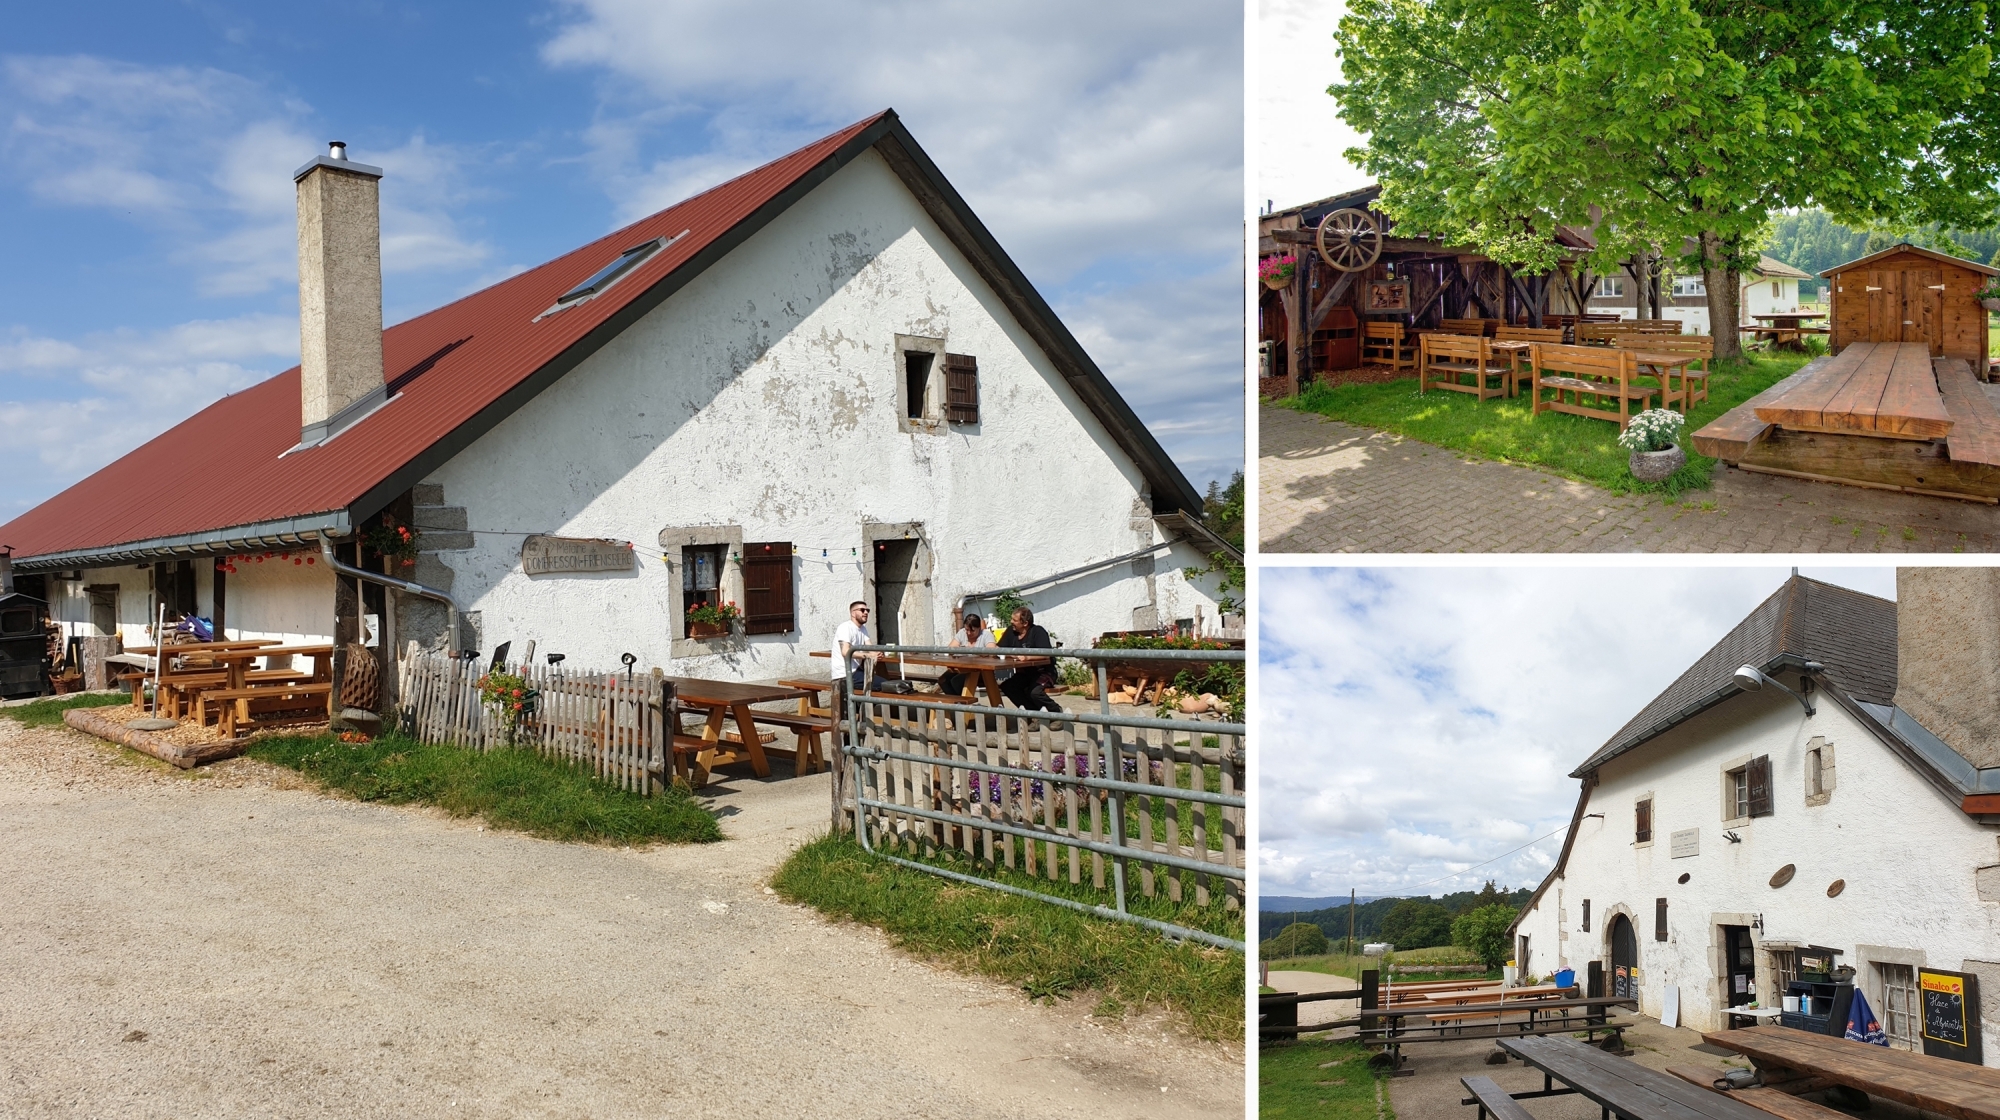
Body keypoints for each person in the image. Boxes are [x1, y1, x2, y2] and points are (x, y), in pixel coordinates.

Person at [996, 606, 1061, 713]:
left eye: (1014, 620)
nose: (1011, 622)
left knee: (1034, 692)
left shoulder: (1038, 632)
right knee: (1008, 687)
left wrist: (1027, 657)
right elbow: (999, 648)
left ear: (1025, 623)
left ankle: (1056, 712)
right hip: (1025, 673)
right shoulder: (1010, 632)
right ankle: (1033, 714)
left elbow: (1046, 654)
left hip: (1044, 672)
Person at [938, 612, 993, 698]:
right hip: (962, 667)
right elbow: (950, 648)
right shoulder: (962, 633)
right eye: (967, 629)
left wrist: (968, 650)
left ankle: (960, 704)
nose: (969, 633)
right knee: (943, 680)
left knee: (956, 681)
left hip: (980, 670)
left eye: (972, 630)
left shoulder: (986, 635)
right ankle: (958, 703)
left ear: (979, 628)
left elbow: (991, 650)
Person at [834, 601, 876, 692]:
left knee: (884, 683)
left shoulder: (863, 628)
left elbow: (870, 648)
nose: (866, 612)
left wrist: (878, 654)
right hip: (845, 675)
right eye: (862, 610)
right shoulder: (845, 627)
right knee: (884, 685)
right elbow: (845, 652)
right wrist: (869, 656)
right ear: (853, 613)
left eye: (867, 610)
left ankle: (861, 705)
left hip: (857, 672)